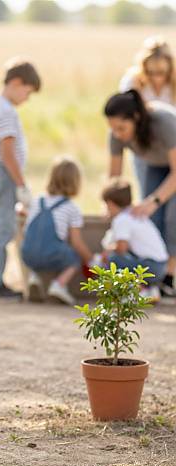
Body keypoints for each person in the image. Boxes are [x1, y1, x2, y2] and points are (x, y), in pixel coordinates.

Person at [0, 57, 41, 301]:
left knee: (3, 225)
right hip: (1, 172)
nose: (27, 97)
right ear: (16, 82)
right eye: (27, 90)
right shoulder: (4, 110)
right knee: (2, 228)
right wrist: (21, 184)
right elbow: (7, 151)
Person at [105, 89, 176, 298]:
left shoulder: (163, 123)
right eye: (113, 128)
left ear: (136, 118)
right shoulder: (116, 135)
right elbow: (114, 177)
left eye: (122, 128)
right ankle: (154, 277)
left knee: (173, 217)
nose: (117, 134)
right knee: (150, 217)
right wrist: (111, 205)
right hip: (154, 164)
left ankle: (170, 278)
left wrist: (155, 199)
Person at [119, 36, 176, 229]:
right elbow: (123, 116)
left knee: (172, 214)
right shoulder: (132, 83)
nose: (157, 78)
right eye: (151, 72)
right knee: (150, 204)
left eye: (161, 72)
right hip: (147, 151)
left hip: (173, 149)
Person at [21, 156, 93, 306]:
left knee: (36, 247)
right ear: (76, 182)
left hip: (27, 254)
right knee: (74, 258)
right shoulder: (71, 208)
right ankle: (59, 285)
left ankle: (34, 277)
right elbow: (76, 242)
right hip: (51, 255)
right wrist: (91, 259)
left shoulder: (37, 201)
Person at [101, 179, 168, 301]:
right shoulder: (137, 214)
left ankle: (138, 292)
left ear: (110, 203)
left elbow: (121, 248)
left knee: (112, 259)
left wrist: (107, 251)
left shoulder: (121, 219)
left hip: (151, 267)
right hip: (161, 267)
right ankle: (150, 289)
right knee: (128, 256)